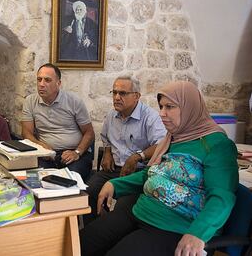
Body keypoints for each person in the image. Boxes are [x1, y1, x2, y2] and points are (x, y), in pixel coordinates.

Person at [80, 81, 239, 256]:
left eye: (169, 107)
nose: (162, 113)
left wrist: (197, 234)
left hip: (174, 224)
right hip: (142, 209)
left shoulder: (217, 145)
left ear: (189, 108)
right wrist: (115, 184)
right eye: (161, 106)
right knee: (82, 242)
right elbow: (151, 174)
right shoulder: (173, 138)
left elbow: (222, 197)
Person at [84, 76, 166, 224]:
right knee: (88, 192)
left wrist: (138, 156)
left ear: (136, 96)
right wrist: (107, 153)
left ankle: (113, 233)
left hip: (138, 171)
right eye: (114, 92)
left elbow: (161, 145)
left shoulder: (150, 117)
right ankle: (94, 229)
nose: (116, 97)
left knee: (123, 206)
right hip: (113, 169)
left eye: (122, 93)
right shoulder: (111, 115)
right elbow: (105, 137)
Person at [21, 63, 95, 181]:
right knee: (33, 179)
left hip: (73, 154)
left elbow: (89, 133)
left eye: (47, 80)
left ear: (58, 83)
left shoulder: (74, 101)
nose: (41, 84)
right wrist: (41, 146)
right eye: (39, 80)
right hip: (45, 154)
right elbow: (26, 133)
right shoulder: (30, 101)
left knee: (67, 181)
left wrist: (76, 152)